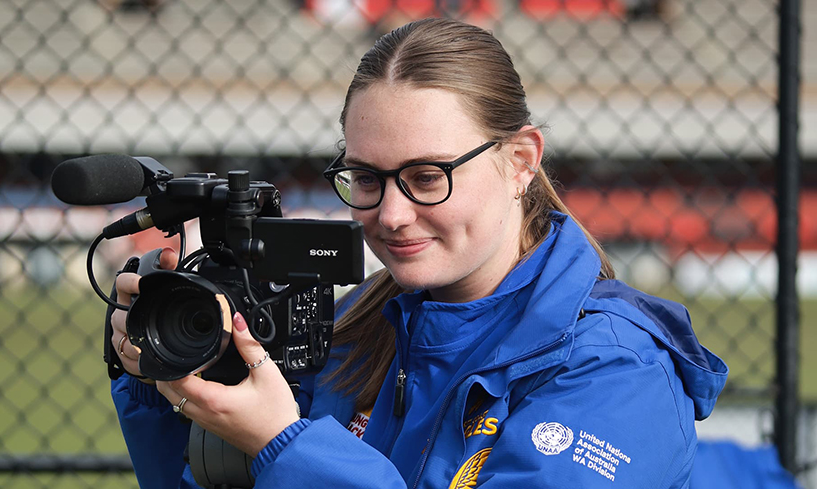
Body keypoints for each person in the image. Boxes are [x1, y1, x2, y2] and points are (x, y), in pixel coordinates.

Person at [109, 17, 728, 488]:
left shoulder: (613, 369)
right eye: (367, 178)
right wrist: (172, 384)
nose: (392, 215)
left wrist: (285, 442)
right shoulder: (357, 325)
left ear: (521, 162)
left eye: (428, 177)